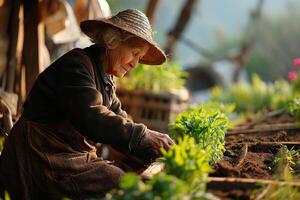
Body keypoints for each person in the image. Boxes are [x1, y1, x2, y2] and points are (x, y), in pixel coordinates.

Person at [0, 9, 175, 199]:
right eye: (134, 53)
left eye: (139, 58)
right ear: (113, 41)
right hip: (41, 156)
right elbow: (92, 117)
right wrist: (142, 136)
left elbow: (118, 117)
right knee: (118, 181)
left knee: (128, 173)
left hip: (67, 157)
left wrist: (149, 147)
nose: (134, 64)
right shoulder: (77, 65)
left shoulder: (105, 76)